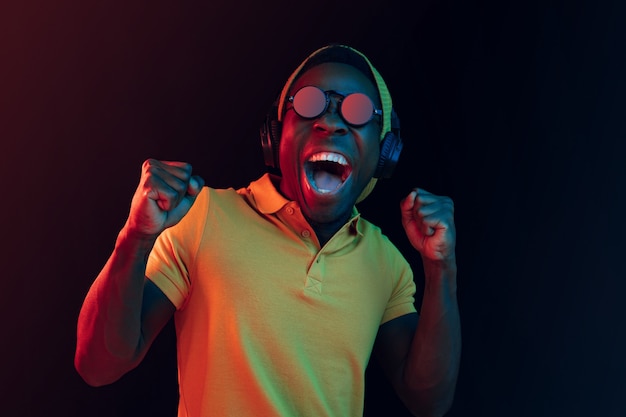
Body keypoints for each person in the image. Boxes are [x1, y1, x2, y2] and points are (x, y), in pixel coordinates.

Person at [75, 44, 461, 417]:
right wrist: (136, 237)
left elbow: (429, 402)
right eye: (310, 104)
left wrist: (441, 268)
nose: (330, 122)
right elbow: (99, 364)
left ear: (385, 151)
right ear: (276, 137)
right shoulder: (204, 216)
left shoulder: (387, 264)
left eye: (358, 111)